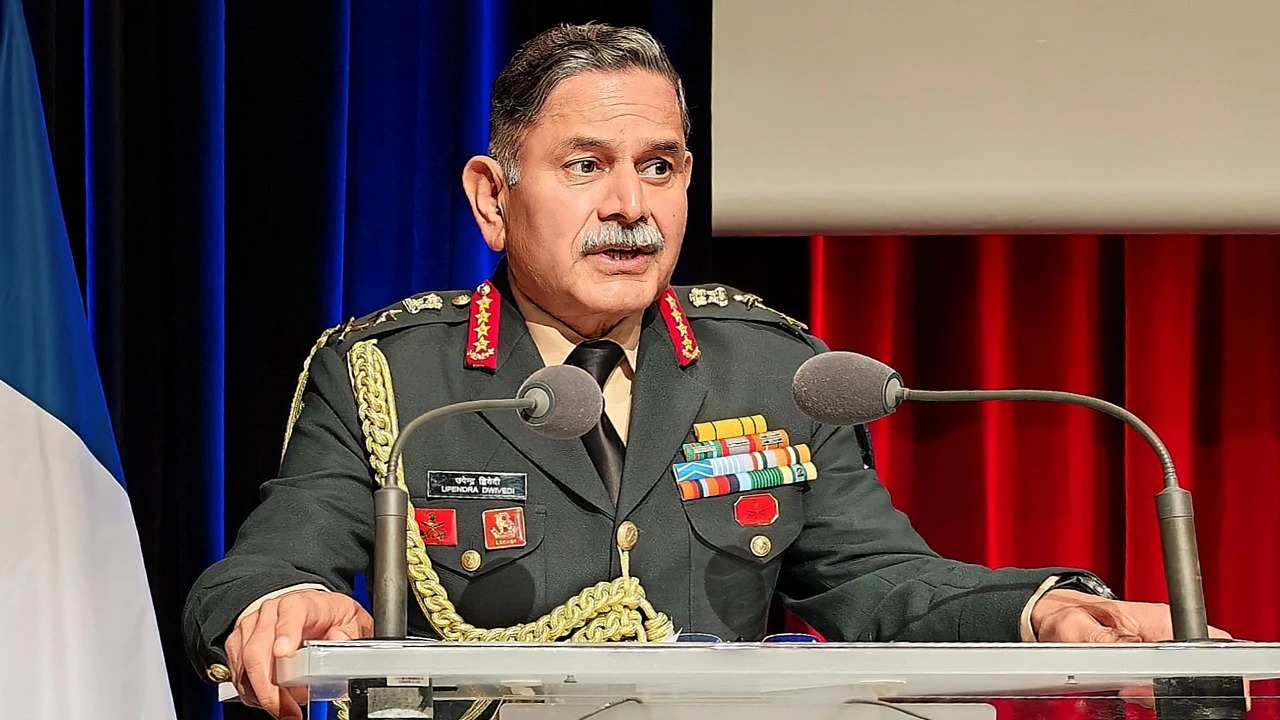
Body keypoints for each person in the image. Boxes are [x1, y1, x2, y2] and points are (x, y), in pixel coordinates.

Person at [182, 23, 1230, 720]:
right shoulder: (393, 379)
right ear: (493, 198)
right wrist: (282, 602)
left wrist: (1044, 610)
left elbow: (878, 583)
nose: (630, 206)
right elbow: (260, 567)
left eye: (660, 167)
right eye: (585, 166)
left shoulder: (772, 369)